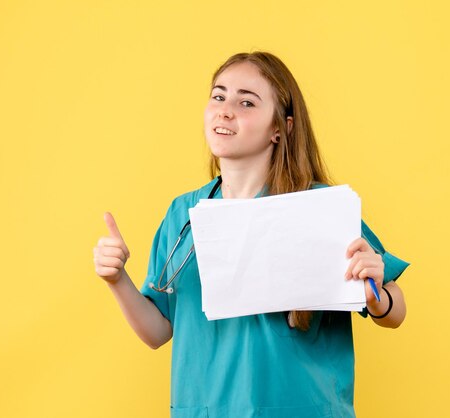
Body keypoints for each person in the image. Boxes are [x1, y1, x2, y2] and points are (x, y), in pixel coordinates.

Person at [93, 51, 410, 418]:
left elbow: (395, 309)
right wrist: (117, 280)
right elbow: (158, 332)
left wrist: (376, 293)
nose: (226, 110)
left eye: (246, 102)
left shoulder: (319, 207)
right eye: (218, 96)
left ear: (281, 128)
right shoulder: (184, 215)